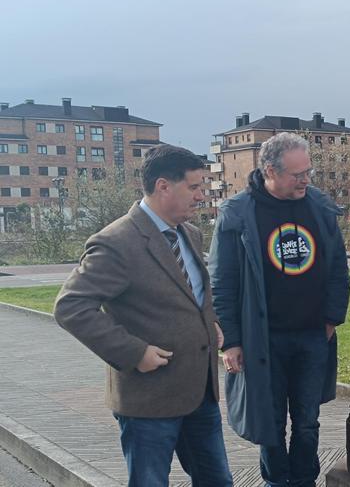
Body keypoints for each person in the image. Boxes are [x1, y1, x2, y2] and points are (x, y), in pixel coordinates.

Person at [54, 145, 233, 487]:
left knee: (218, 481)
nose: (202, 196)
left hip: (200, 392)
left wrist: (209, 323)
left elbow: (193, 293)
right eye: (194, 187)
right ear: (164, 186)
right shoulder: (116, 242)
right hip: (149, 399)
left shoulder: (190, 234)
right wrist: (134, 353)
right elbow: (71, 306)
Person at [209, 132, 350, 487]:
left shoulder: (319, 205)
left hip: (312, 336)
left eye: (308, 172)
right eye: (297, 174)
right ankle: (276, 482)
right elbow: (223, 284)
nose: (306, 180)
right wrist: (232, 341)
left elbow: (337, 267)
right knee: (268, 421)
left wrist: (332, 318)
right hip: (263, 339)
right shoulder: (238, 213)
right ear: (270, 170)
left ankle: (304, 481)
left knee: (307, 421)